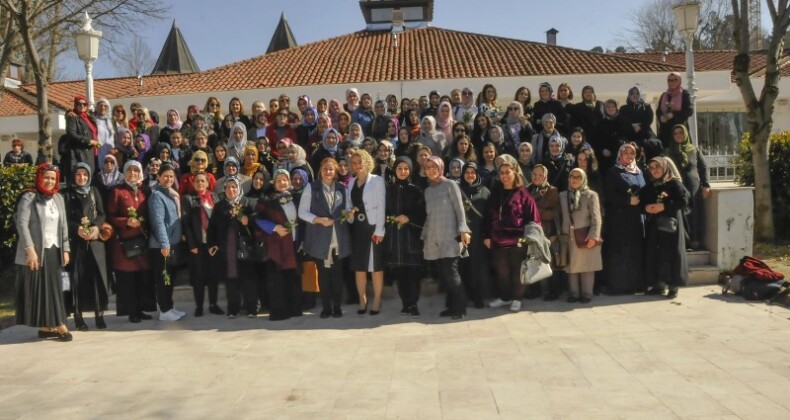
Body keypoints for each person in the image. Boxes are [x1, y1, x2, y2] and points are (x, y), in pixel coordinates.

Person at [14, 164, 72, 341]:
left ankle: (47, 326)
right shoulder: (29, 196)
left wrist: (66, 248)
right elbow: (21, 224)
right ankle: (60, 324)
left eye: (53, 178)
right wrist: (29, 249)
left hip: (55, 249)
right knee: (44, 288)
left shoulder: (58, 198)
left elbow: (64, 226)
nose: (49, 181)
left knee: (53, 287)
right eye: (46, 177)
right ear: (40, 177)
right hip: (38, 250)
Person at [484, 156, 540, 312]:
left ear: (515, 173)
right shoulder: (496, 192)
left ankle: (517, 298)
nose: (504, 176)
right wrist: (487, 235)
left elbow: (534, 218)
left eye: (507, 172)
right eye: (501, 173)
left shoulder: (523, 194)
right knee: (502, 272)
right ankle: (505, 297)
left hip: (518, 241)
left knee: (517, 271)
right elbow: (488, 216)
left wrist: (527, 239)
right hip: (498, 240)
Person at [299, 158, 352, 318]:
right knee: (323, 275)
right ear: (320, 171)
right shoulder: (311, 187)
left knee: (337, 274)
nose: (328, 172)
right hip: (320, 237)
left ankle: (337, 306)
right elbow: (303, 212)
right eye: (325, 169)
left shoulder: (342, 188)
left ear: (336, 171)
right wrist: (318, 220)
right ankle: (326, 307)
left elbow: (348, 211)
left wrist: (350, 215)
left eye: (331, 169)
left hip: (338, 237)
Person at [61, 162, 109, 331]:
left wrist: (96, 226)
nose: (82, 178)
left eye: (85, 175)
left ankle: (99, 314)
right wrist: (77, 229)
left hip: (94, 243)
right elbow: (62, 218)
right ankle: (78, 316)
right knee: (77, 280)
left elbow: (102, 213)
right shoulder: (65, 194)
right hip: (76, 244)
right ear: (73, 175)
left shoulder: (94, 191)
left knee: (97, 279)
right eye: (78, 174)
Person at [106, 160, 155, 323]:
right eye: (129, 171)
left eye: (136, 170)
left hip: (142, 240)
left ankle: (141, 309)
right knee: (128, 279)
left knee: (142, 277)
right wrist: (125, 221)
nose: (132, 174)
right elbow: (110, 215)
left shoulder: (145, 190)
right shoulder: (117, 191)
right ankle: (132, 311)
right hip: (124, 243)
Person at [422, 156, 471, 319]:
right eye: (428, 167)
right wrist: (426, 235)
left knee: (452, 274)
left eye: (434, 167)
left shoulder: (450, 185)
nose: (431, 170)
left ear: (441, 168)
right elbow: (429, 216)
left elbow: (459, 209)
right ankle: (451, 306)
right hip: (435, 238)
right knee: (444, 277)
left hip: (450, 237)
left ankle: (460, 307)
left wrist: (464, 230)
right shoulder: (428, 191)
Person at [254, 170, 303, 321]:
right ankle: (279, 311)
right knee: (277, 280)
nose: (282, 183)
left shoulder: (295, 198)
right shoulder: (267, 200)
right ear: (274, 183)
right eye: (279, 180)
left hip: (293, 244)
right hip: (276, 245)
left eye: (285, 180)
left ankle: (293, 308)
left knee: (292, 278)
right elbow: (257, 219)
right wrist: (275, 228)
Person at [640, 157, 691, 298]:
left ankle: (673, 287)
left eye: (658, 167)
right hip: (655, 228)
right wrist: (646, 207)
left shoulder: (674, 184)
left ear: (665, 167)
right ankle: (659, 285)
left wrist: (664, 206)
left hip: (671, 227)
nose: (655, 170)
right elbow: (641, 202)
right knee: (656, 255)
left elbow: (684, 201)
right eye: (652, 167)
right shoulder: (650, 186)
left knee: (672, 254)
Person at [207, 177, 257, 318]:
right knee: (231, 277)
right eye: (228, 187)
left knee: (247, 278)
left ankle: (251, 308)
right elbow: (212, 227)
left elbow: (256, 221)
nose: (231, 190)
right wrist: (211, 244)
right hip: (227, 248)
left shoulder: (247, 203)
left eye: (234, 187)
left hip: (244, 247)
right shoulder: (220, 206)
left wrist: (248, 221)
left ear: (239, 188)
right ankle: (233, 309)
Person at [383, 156, 426, 316]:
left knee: (413, 273)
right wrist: (392, 219)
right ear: (395, 170)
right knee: (400, 273)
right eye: (400, 168)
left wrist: (409, 217)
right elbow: (385, 211)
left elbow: (422, 213)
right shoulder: (389, 190)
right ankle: (405, 303)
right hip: (395, 237)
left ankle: (413, 303)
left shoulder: (415, 190)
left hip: (412, 237)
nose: (402, 171)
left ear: (410, 170)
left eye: (406, 168)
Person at [345, 149, 387, 315]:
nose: (357, 166)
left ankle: (377, 299)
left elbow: (382, 206)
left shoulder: (376, 181)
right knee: (359, 267)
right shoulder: (350, 183)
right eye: (354, 163)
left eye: (359, 162)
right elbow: (349, 206)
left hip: (373, 227)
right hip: (357, 228)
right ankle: (362, 299)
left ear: (367, 162)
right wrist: (348, 215)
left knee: (375, 266)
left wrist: (380, 230)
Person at [604, 144, 646, 294]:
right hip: (620, 219)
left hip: (637, 218)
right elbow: (609, 195)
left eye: (632, 153)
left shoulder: (640, 172)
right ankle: (619, 286)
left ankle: (636, 284)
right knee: (621, 251)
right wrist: (627, 201)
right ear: (619, 155)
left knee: (636, 251)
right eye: (625, 153)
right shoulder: (614, 172)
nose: (629, 156)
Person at [146, 163, 186, 321]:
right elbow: (158, 222)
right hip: (162, 246)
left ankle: (169, 307)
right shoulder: (157, 196)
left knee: (170, 278)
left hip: (173, 244)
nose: (169, 179)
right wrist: (164, 244)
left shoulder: (171, 194)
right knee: (164, 279)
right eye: (165, 176)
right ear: (159, 177)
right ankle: (164, 310)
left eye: (171, 176)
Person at [182, 172, 223, 317]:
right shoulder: (188, 199)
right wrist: (192, 245)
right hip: (197, 245)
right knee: (198, 277)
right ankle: (199, 306)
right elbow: (186, 224)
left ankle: (213, 304)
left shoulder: (215, 197)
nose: (200, 183)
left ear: (207, 183)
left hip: (212, 245)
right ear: (193, 184)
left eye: (203, 181)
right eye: (197, 181)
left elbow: (219, 222)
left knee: (213, 276)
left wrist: (217, 244)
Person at [559, 168, 603, 303]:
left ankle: (587, 294)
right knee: (572, 267)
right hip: (569, 236)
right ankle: (574, 294)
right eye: (572, 176)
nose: (574, 179)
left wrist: (593, 236)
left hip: (585, 235)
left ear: (583, 179)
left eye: (578, 177)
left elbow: (596, 218)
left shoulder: (591, 195)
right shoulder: (563, 195)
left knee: (587, 266)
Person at [666, 124, 710, 250]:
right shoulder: (669, 151)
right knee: (681, 213)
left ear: (685, 134)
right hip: (677, 188)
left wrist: (705, 185)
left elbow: (703, 168)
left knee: (695, 214)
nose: (678, 135)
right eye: (675, 133)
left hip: (693, 188)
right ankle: (684, 243)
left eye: (681, 132)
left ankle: (696, 242)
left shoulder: (694, 150)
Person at [458, 161, 491, 308]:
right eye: (467, 172)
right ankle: (463, 296)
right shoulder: (457, 190)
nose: (470, 175)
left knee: (477, 267)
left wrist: (487, 234)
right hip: (461, 234)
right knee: (462, 266)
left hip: (479, 234)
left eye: (473, 172)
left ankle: (478, 296)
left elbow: (490, 215)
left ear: (477, 174)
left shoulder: (485, 191)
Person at [528, 165, 563, 300]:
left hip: (548, 232)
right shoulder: (526, 190)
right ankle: (535, 290)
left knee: (550, 262)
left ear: (545, 177)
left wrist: (534, 212)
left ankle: (554, 291)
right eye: (534, 174)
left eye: (540, 175)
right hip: (531, 232)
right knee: (533, 260)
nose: (537, 177)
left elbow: (554, 213)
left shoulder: (552, 191)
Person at [62, 96, 98, 181]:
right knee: (82, 178)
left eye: (84, 104)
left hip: (91, 152)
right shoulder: (73, 117)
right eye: (79, 104)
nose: (82, 106)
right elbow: (72, 134)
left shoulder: (89, 117)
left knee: (90, 178)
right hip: (80, 153)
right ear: (75, 105)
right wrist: (88, 141)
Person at [656, 72, 693, 149]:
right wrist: (661, 117)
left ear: (679, 80)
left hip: (679, 131)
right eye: (669, 80)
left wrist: (674, 115)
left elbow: (689, 111)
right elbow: (658, 111)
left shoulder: (684, 94)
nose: (672, 82)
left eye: (674, 80)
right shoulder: (664, 95)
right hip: (665, 132)